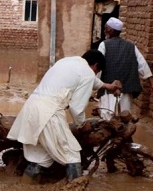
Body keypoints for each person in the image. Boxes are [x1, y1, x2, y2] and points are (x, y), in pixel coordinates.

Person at [7, 50, 122, 183]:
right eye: (97, 71)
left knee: (40, 158)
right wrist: (82, 124)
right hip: (49, 113)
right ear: (96, 66)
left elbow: (89, 79)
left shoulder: (66, 62)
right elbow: (76, 108)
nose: (95, 74)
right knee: (72, 155)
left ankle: (24, 190)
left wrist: (107, 86)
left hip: (31, 109)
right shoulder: (88, 73)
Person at [97, 17, 153, 119]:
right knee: (124, 117)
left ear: (111, 30)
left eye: (106, 28)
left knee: (107, 117)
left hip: (108, 88)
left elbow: (98, 66)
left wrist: (96, 83)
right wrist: (151, 84)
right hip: (126, 89)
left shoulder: (104, 45)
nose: (104, 30)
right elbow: (142, 65)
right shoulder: (131, 46)